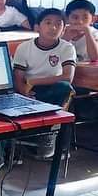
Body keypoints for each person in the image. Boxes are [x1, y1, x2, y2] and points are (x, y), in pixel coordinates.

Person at [13, 8, 76, 158]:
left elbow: (68, 77)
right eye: (48, 23)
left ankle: (50, 132)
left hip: (51, 89)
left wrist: (35, 81)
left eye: (58, 24)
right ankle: (9, 150)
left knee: (65, 88)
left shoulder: (67, 48)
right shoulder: (25, 47)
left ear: (63, 29)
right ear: (37, 27)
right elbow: (18, 76)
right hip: (27, 89)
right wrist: (25, 93)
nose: (53, 27)